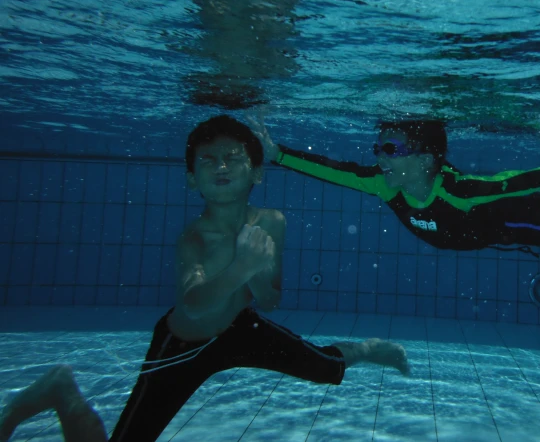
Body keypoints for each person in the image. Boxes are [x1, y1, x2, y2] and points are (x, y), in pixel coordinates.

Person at [0, 115, 409, 442]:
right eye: (208, 160)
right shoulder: (193, 238)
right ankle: (61, 390)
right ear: (191, 178)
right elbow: (193, 301)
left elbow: (269, 300)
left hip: (241, 329)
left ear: (257, 173)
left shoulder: (272, 222)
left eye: (233, 157)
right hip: (184, 345)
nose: (222, 166)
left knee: (325, 368)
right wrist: (242, 268)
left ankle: (368, 349)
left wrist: (256, 275)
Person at [246, 114, 540, 258]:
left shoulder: (459, 190)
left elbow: (512, 182)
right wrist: (278, 154)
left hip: (509, 224)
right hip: (484, 230)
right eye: (378, 145)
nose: (377, 155)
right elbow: (332, 169)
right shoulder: (383, 184)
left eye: (389, 148)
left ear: (425, 160)